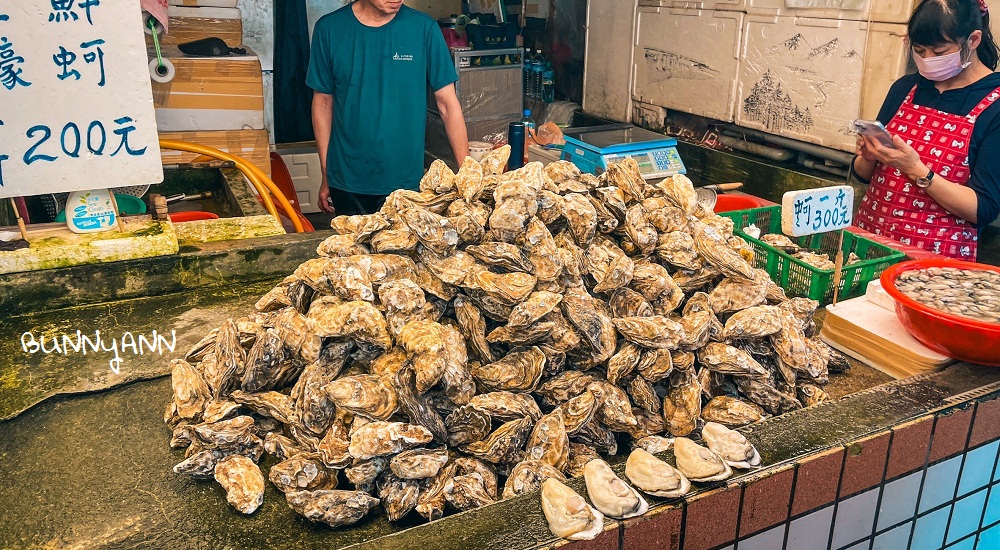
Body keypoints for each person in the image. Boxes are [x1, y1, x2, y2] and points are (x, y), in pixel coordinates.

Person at [852, 0, 1000, 260]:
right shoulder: (905, 88)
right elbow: (863, 176)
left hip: (933, 261)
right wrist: (869, 155)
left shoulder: (994, 104)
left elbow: (983, 209)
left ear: (973, 40)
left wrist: (916, 169)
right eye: (919, 51)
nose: (927, 60)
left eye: (940, 51)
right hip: (869, 244)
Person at [307, 0, 470, 216]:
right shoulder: (329, 29)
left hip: (405, 183)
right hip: (347, 181)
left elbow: (448, 103)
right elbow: (322, 102)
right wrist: (326, 172)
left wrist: (467, 173)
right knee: (352, 249)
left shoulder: (423, 28)